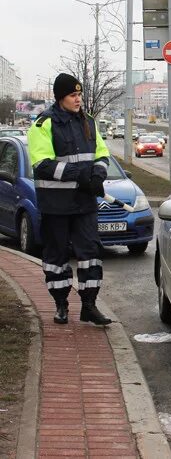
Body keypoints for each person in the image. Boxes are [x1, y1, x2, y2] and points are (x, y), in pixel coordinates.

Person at [27, 73, 112, 326]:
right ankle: (61, 304)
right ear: (60, 97)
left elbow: (102, 154)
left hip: (84, 204)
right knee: (56, 257)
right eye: (73, 95)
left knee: (90, 253)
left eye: (80, 95)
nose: (78, 100)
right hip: (56, 205)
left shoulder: (89, 122)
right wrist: (80, 176)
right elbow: (42, 164)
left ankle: (89, 305)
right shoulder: (43, 125)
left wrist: (97, 175)